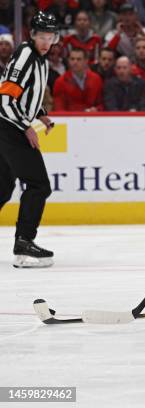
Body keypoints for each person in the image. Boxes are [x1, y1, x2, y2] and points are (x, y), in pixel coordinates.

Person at [0, 12, 57, 268]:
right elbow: (5, 99)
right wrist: (26, 127)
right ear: (32, 35)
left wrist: (41, 115)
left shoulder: (39, 58)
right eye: (41, 36)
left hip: (9, 127)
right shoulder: (25, 56)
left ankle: (24, 240)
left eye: (50, 37)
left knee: (2, 186)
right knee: (38, 185)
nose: (46, 42)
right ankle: (24, 241)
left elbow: (25, 96)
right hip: (10, 127)